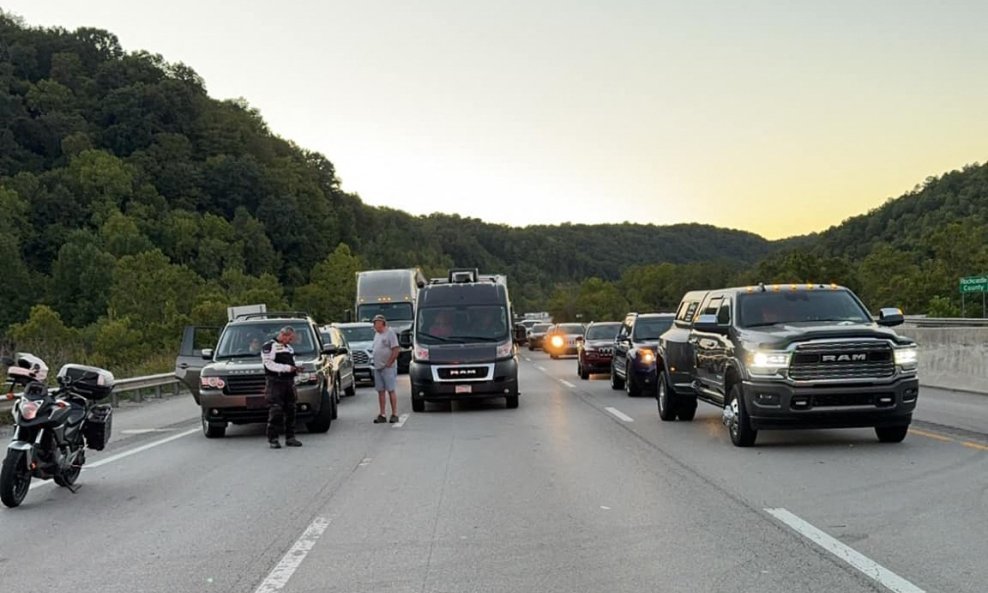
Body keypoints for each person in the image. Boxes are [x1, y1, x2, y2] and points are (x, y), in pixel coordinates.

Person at [261, 326, 303, 448]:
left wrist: (296, 368)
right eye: (289, 338)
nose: (290, 341)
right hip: (275, 382)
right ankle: (273, 438)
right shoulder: (269, 346)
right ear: (283, 335)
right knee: (276, 410)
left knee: (291, 409)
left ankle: (290, 437)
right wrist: (287, 368)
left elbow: (291, 363)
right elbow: (269, 364)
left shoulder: (288, 348)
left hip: (288, 382)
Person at [371, 314, 400, 423]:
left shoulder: (390, 333)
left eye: (376, 323)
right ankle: (382, 414)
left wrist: (389, 362)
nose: (374, 325)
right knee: (380, 391)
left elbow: (396, 349)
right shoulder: (377, 335)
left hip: (388, 367)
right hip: (378, 367)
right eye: (374, 323)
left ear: (382, 323)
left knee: (391, 390)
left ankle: (394, 413)